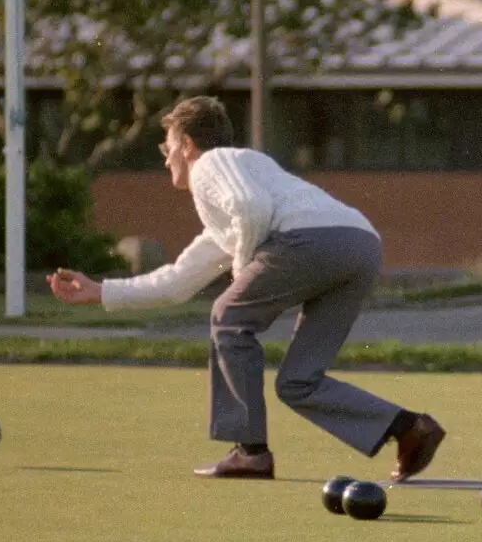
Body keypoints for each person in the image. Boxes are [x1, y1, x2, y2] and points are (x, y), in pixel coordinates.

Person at [47, 95, 446, 482]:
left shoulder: (211, 164)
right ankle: (410, 428)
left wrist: (242, 269)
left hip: (311, 240)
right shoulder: (237, 193)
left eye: (166, 146)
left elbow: (251, 208)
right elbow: (178, 280)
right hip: (360, 245)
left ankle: (250, 454)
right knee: (297, 382)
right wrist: (101, 291)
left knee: (228, 316)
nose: (165, 157)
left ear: (187, 144)